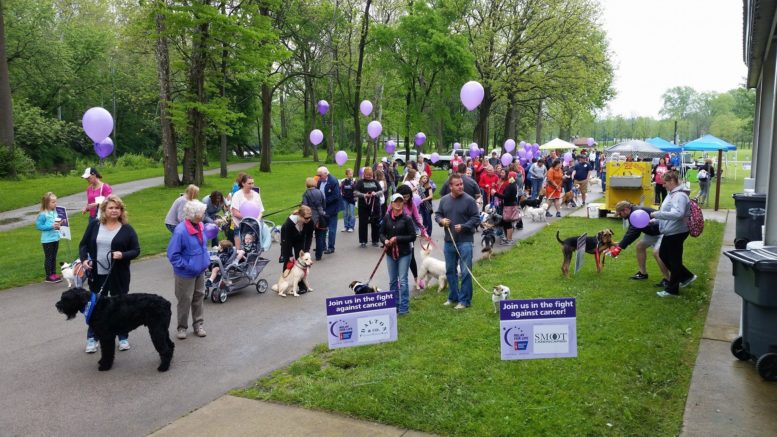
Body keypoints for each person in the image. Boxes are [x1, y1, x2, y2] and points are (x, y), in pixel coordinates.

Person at [79, 195, 140, 353]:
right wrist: (84, 259)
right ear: (104, 210)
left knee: (120, 306)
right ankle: (92, 338)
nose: (114, 211)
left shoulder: (127, 229)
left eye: (117, 208)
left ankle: (123, 337)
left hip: (118, 274)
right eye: (110, 208)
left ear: (121, 211)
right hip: (97, 273)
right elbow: (83, 244)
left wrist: (123, 255)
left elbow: (136, 250)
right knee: (95, 307)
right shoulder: (94, 225)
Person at [435, 173, 481, 310]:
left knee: (466, 271)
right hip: (449, 241)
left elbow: (476, 218)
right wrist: (441, 221)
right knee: (450, 271)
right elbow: (437, 215)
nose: (461, 186)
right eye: (457, 185)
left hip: (465, 241)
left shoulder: (469, 200)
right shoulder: (444, 200)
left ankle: (465, 301)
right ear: (450, 186)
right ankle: (453, 297)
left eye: (461, 184)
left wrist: (464, 226)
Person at [167, 200, 210, 339]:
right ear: (194, 214)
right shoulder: (180, 231)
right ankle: (182, 327)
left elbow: (202, 246)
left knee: (199, 297)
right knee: (185, 300)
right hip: (185, 273)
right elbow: (172, 254)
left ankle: (198, 325)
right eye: (202, 212)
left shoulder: (200, 225)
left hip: (200, 270)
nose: (204, 214)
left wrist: (205, 261)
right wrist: (188, 266)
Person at [650, 170, 697, 297]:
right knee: (664, 255)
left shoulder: (679, 196)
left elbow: (678, 213)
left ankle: (673, 289)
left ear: (672, 181)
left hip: (676, 232)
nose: (663, 185)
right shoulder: (672, 194)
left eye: (665, 182)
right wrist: (655, 220)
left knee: (673, 259)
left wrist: (657, 214)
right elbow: (669, 212)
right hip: (671, 231)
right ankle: (686, 277)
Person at [609, 201, 671, 287]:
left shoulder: (636, 214)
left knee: (657, 253)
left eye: (620, 214)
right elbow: (633, 231)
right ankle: (643, 273)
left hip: (663, 231)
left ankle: (668, 279)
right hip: (653, 232)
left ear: (626, 210)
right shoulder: (633, 213)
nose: (620, 216)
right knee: (640, 247)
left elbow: (633, 232)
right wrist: (621, 245)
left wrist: (620, 247)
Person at [380, 193, 417, 315]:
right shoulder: (386, 218)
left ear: (403, 203)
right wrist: (385, 240)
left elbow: (412, 237)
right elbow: (381, 233)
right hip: (390, 253)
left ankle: (404, 308)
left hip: (405, 253)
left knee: (403, 280)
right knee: (392, 281)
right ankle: (393, 306)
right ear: (391, 203)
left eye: (400, 201)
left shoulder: (407, 219)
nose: (398, 203)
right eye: (396, 201)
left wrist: (397, 238)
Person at [279, 205, 314, 293]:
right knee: (288, 261)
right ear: (300, 216)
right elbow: (287, 241)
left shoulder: (310, 222)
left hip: (299, 238)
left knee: (302, 261)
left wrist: (306, 250)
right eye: (306, 218)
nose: (308, 220)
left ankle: (302, 286)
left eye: (310, 217)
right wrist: (290, 254)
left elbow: (309, 236)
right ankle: (284, 283)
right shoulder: (290, 223)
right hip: (287, 238)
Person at [230, 175, 264, 250]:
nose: (252, 185)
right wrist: (248, 219)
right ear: (243, 183)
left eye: (253, 183)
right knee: (241, 250)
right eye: (249, 183)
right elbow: (235, 212)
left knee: (254, 247)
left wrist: (257, 219)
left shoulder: (256, 195)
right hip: (240, 224)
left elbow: (261, 211)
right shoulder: (237, 195)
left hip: (254, 225)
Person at [36, 192, 62, 283]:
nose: (55, 204)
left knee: (54, 256)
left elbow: (56, 222)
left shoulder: (55, 212)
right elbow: (39, 226)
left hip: (55, 238)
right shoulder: (43, 214)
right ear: (47, 203)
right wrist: (51, 226)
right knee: (49, 257)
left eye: (56, 202)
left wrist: (59, 224)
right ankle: (48, 276)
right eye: (53, 202)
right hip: (47, 240)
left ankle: (54, 273)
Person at [354, 167, 383, 247]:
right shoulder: (360, 182)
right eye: (367, 175)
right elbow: (355, 192)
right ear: (364, 174)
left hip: (374, 205)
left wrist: (375, 193)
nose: (369, 176)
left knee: (375, 222)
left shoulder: (375, 182)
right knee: (363, 223)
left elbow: (381, 191)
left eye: (370, 175)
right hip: (363, 206)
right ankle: (363, 241)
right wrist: (364, 195)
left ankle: (375, 240)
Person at [317, 166, 342, 254]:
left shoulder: (333, 181)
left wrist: (323, 202)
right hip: (322, 209)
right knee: (322, 228)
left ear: (325, 173)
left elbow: (336, 196)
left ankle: (331, 247)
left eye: (320, 175)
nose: (319, 177)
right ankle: (322, 246)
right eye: (318, 175)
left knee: (331, 229)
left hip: (332, 209)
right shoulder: (320, 181)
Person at [302, 176, 327, 261]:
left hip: (309, 218)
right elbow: (324, 204)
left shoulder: (306, 193)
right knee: (319, 236)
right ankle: (318, 255)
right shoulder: (320, 192)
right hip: (320, 217)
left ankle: (306, 254)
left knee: (307, 237)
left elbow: (304, 206)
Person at [493, 174, 519, 244]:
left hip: (509, 206)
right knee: (506, 222)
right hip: (511, 205)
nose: (508, 178)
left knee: (507, 223)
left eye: (509, 177)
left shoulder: (510, 186)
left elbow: (506, 197)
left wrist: (496, 193)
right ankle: (508, 239)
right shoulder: (514, 184)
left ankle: (509, 240)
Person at [340, 168, 356, 233]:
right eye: (349, 174)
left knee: (352, 213)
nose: (351, 175)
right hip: (345, 199)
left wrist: (353, 184)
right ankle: (346, 226)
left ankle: (351, 226)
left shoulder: (354, 180)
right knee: (345, 213)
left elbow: (356, 188)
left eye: (351, 174)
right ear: (346, 174)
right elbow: (341, 188)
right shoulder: (343, 181)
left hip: (352, 199)